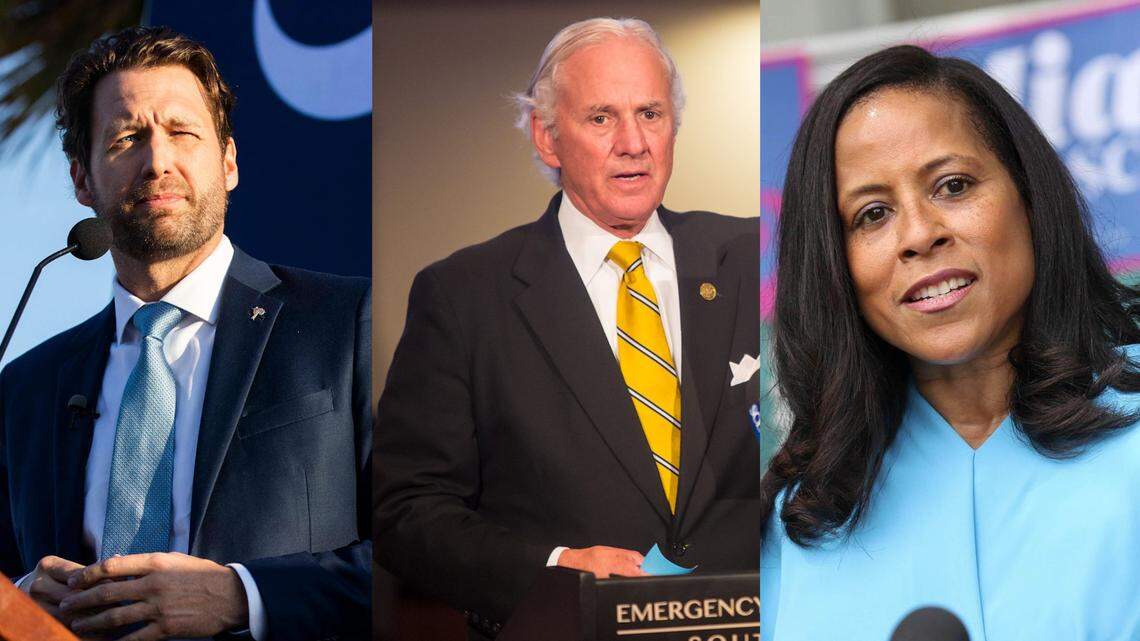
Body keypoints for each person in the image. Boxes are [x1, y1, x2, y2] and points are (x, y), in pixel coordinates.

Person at [374, 17, 759, 638]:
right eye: (602, 118)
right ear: (548, 137)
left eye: (651, 114)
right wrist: (554, 571)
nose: (634, 142)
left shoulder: (753, 257)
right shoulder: (465, 295)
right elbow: (407, 512)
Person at [0, 27, 371, 641]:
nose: (157, 161)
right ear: (82, 180)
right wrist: (16, 600)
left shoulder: (347, 322)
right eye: (126, 139)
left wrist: (242, 596)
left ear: (227, 162)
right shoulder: (26, 388)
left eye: (182, 132)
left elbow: (422, 558)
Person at [760, 44, 1140, 640]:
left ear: (1029, 197)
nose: (918, 235)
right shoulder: (798, 522)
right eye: (873, 214)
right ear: (835, 267)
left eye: (953, 185)